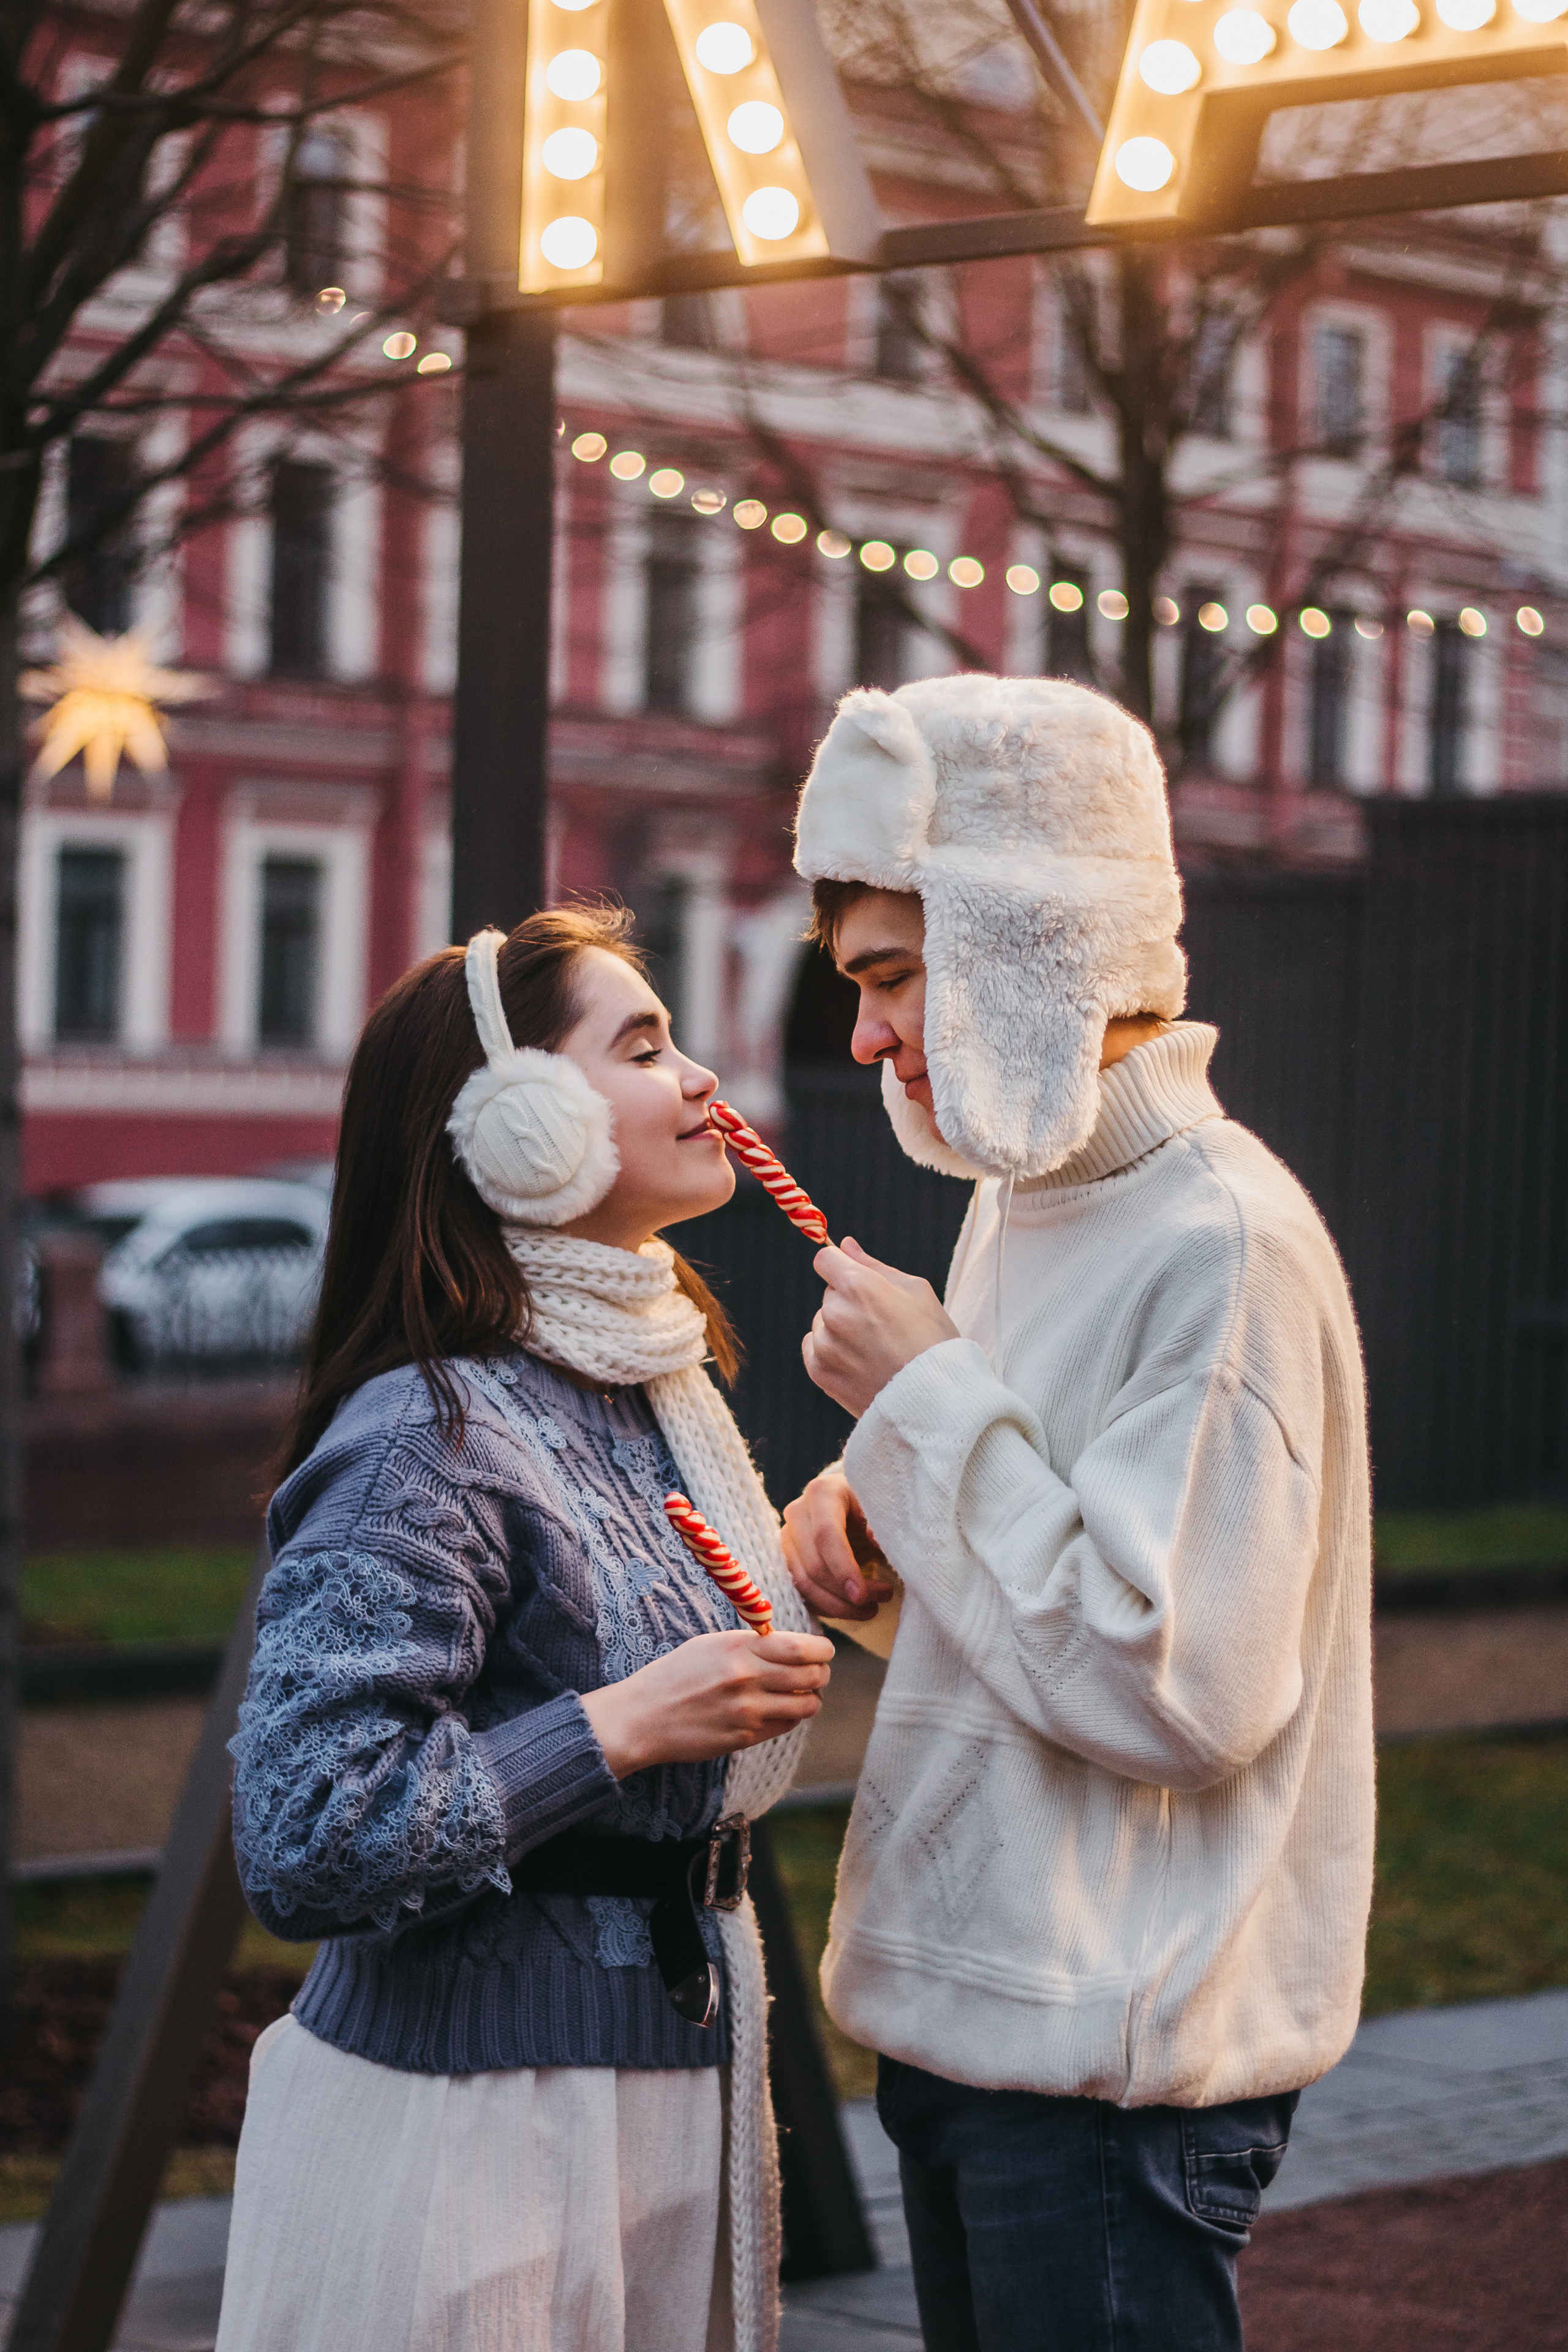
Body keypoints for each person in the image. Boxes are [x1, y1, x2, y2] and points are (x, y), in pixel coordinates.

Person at [780, 675, 1375, 2352]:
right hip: (986, 2035)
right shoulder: (1031, 1207)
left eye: (894, 977)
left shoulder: (1220, 1242)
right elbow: (1044, 1556)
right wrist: (880, 1519)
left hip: (1112, 2074)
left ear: (1029, 937)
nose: (866, 1038)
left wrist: (924, 1407)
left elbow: (1173, 1681)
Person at [215, 905, 834, 2352]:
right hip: (478, 2138)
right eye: (645, 1046)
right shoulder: (425, 1436)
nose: (701, 1082)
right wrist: (624, 1728)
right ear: (517, 1123)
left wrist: (830, 1559)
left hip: (660, 2093)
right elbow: (306, 1831)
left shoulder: (640, 1386)